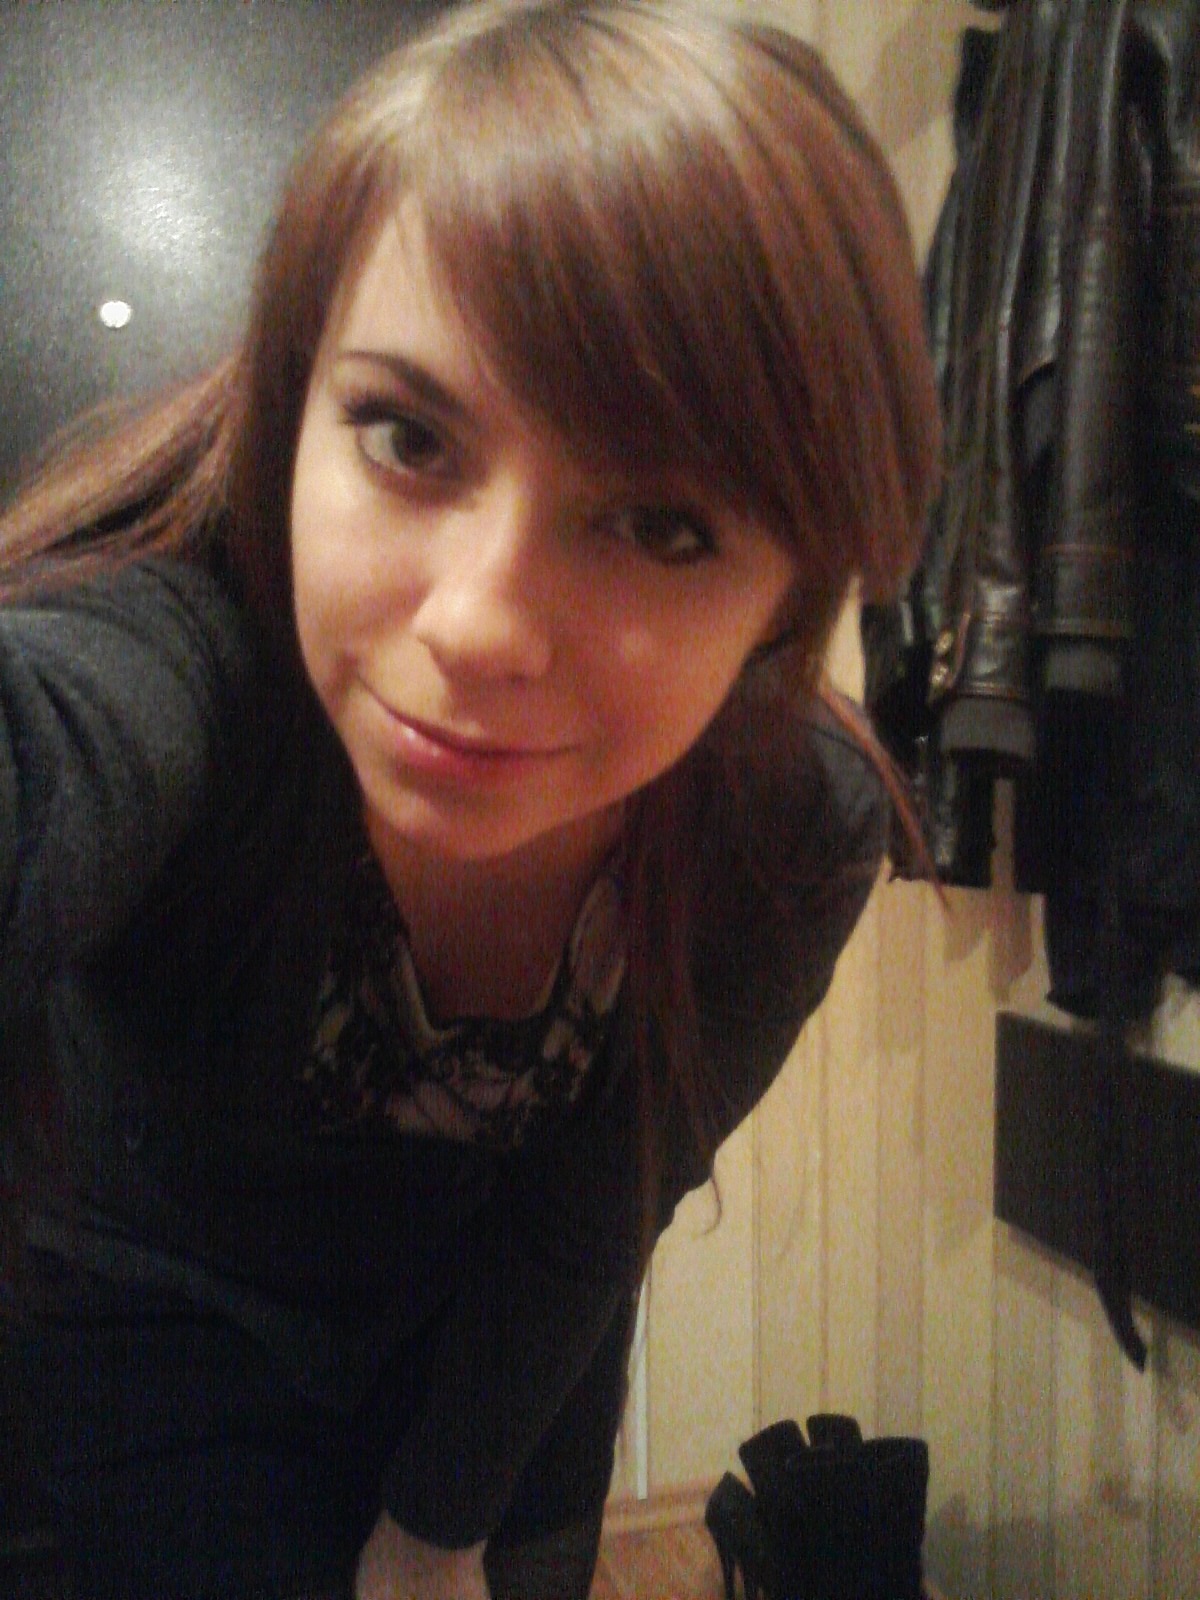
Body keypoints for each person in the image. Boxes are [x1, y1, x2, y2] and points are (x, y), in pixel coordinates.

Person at [0, 2, 939, 1596]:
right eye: (408, 436)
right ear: (294, 408)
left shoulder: (792, 824)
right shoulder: (184, 649)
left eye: (663, 524)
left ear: (787, 600)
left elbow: (596, 1204)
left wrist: (441, 1527)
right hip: (150, 1317)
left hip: (509, 1339)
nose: (479, 625)